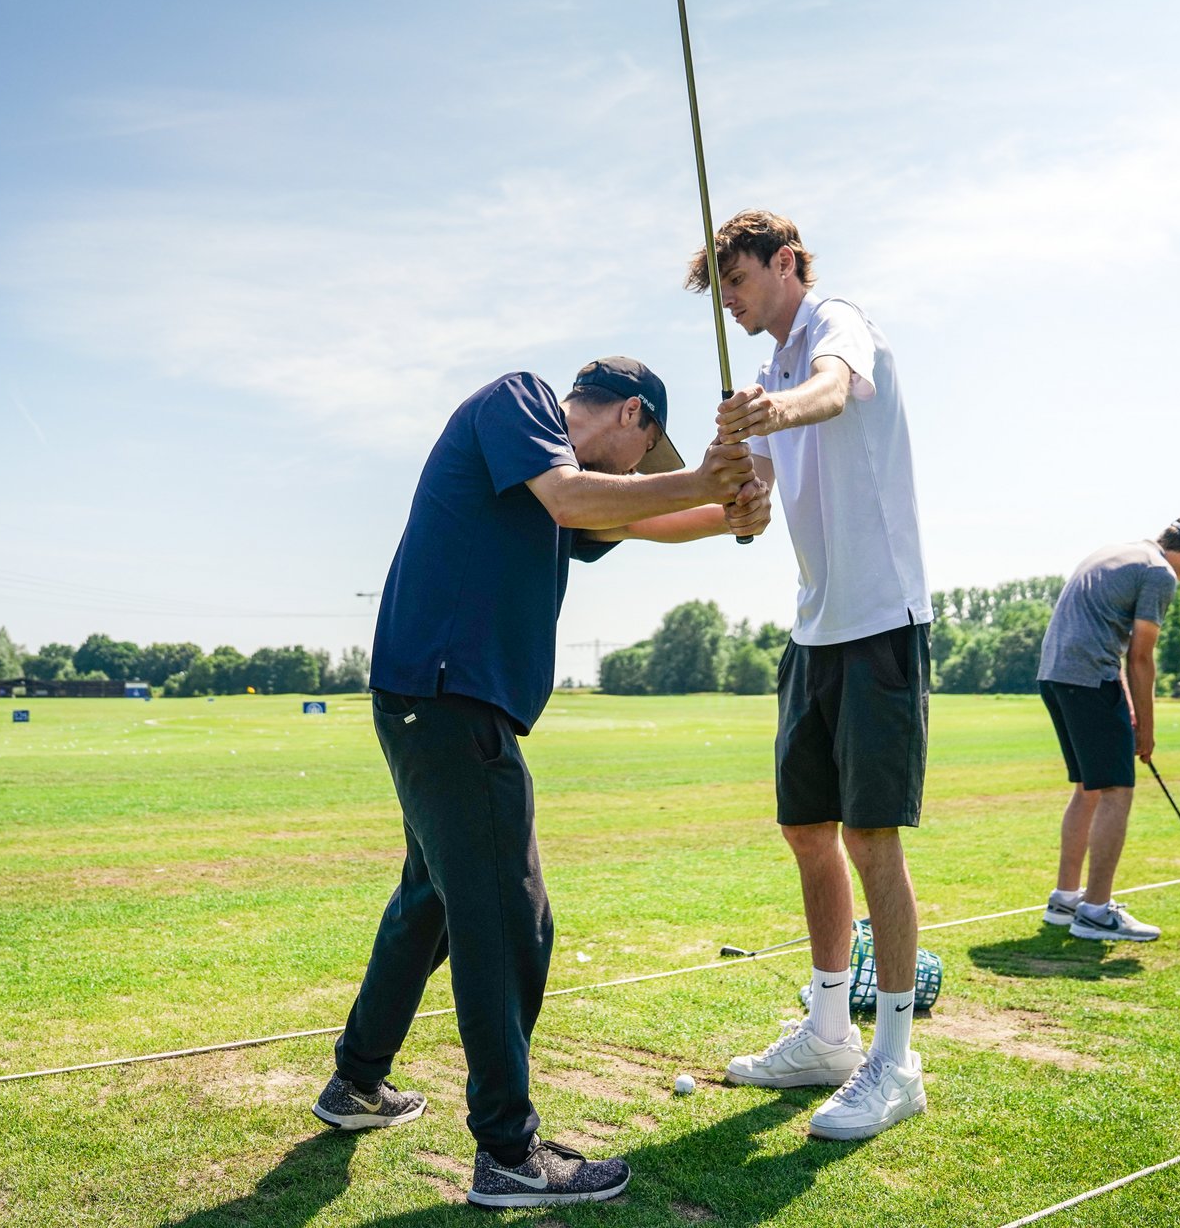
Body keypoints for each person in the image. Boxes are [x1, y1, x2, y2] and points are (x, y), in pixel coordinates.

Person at [312, 357, 770, 1208]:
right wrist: (703, 476)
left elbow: (637, 521)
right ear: (632, 413)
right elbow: (579, 499)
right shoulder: (522, 407)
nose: (636, 473)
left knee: (435, 901)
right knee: (510, 919)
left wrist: (727, 510)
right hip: (452, 702)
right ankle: (511, 1156)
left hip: (431, 701)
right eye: (643, 455)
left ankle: (356, 1085)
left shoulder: (561, 477)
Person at [694, 210, 932, 1142]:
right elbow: (747, 508)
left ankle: (895, 1062)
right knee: (806, 829)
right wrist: (736, 483)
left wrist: (771, 413)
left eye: (740, 282)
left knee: (873, 837)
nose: (733, 302)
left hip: (881, 622)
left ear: (784, 262)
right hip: (815, 629)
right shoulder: (762, 374)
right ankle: (831, 1032)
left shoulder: (837, 323)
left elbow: (832, 393)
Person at [1036, 518, 1180, 942]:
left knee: (1088, 787)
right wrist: (1148, 731)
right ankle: (1095, 912)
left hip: (1055, 676)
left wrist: (1130, 708)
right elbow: (1140, 657)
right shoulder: (1158, 573)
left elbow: (1105, 637)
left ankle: (1065, 900)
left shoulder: (1115, 551)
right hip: (1089, 679)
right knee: (1117, 790)